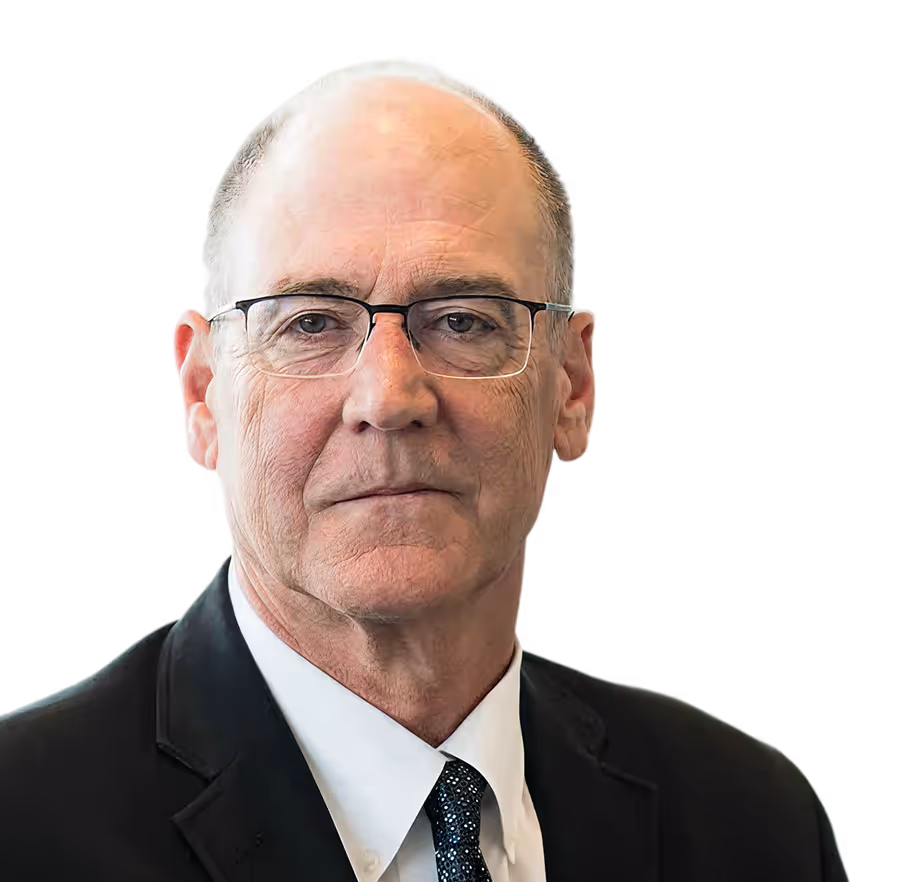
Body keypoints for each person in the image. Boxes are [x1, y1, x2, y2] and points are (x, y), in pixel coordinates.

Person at [0, 56, 848, 881]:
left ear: (573, 385)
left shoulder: (754, 822)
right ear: (201, 393)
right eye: (310, 323)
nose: (390, 396)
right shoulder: (19, 824)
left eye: (464, 321)